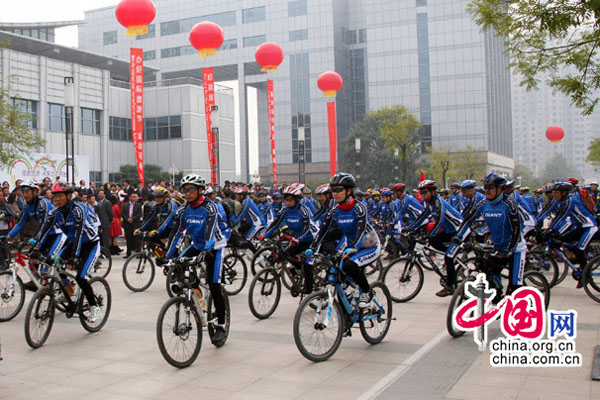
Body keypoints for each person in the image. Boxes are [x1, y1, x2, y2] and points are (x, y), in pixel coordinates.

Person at [166, 174, 228, 346]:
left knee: (214, 285)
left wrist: (207, 249)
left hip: (214, 246)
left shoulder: (211, 208)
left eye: (191, 190)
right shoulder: (183, 209)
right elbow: (177, 233)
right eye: (184, 190)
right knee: (179, 264)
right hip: (198, 244)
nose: (187, 193)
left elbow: (210, 231)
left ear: (201, 190)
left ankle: (221, 325)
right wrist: (168, 255)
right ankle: (194, 292)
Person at [309, 172, 380, 308]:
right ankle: (348, 310)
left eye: (338, 190)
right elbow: (323, 231)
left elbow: (360, 230)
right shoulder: (335, 211)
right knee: (336, 270)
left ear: (348, 191)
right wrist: (312, 248)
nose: (335, 193)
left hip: (369, 246)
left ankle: (367, 291)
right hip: (351, 246)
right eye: (333, 190)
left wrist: (356, 248)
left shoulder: (359, 208)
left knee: (349, 265)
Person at [449, 173, 526, 295]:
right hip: (498, 248)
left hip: (516, 249)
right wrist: (458, 236)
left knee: (516, 285)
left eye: (490, 187)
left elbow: (517, 228)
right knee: (488, 275)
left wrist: (511, 248)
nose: (487, 190)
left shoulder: (509, 204)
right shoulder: (483, 203)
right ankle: (499, 298)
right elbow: (468, 220)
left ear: (500, 188)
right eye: (485, 187)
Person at [35, 182, 101, 322]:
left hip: (90, 244)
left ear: (69, 196)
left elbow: (78, 234)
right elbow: (44, 230)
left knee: (81, 277)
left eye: (60, 196)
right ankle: (68, 291)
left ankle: (94, 306)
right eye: (54, 196)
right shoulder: (55, 212)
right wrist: (35, 248)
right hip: (73, 244)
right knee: (55, 264)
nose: (56, 199)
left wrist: (74, 257)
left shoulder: (78, 210)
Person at [404, 180, 463, 297]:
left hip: (458, 231)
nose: (423, 194)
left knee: (448, 257)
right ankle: (451, 257)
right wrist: (409, 228)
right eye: (421, 192)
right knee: (433, 241)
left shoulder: (439, 202)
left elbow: (440, 220)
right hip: (448, 231)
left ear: (433, 192)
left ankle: (450, 286)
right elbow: (423, 217)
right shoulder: (430, 204)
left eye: (425, 192)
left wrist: (429, 234)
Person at [259, 185, 318, 294]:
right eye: (285, 199)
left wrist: (299, 239)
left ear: (296, 199)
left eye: (290, 199)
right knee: (284, 254)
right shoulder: (285, 210)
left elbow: (307, 228)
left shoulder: (303, 210)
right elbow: (275, 223)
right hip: (298, 239)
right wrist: (265, 234)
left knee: (307, 264)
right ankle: (298, 269)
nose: (287, 202)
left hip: (311, 239)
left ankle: (309, 291)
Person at [547, 181, 598, 287]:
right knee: (563, 240)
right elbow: (558, 216)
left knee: (579, 249)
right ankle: (575, 260)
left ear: (564, 192)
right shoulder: (564, 201)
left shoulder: (571, 200)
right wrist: (551, 229)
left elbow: (564, 216)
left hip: (590, 227)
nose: (555, 195)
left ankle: (586, 275)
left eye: (557, 193)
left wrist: (553, 230)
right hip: (581, 227)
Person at [121, 192, 142, 257]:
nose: (135, 198)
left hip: (135, 224)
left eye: (136, 196)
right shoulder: (125, 205)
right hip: (127, 224)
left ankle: (138, 253)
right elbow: (123, 214)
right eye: (134, 196)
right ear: (130, 197)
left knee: (137, 239)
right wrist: (127, 219)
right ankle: (128, 253)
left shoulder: (139, 205)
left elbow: (139, 214)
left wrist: (132, 219)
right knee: (128, 239)